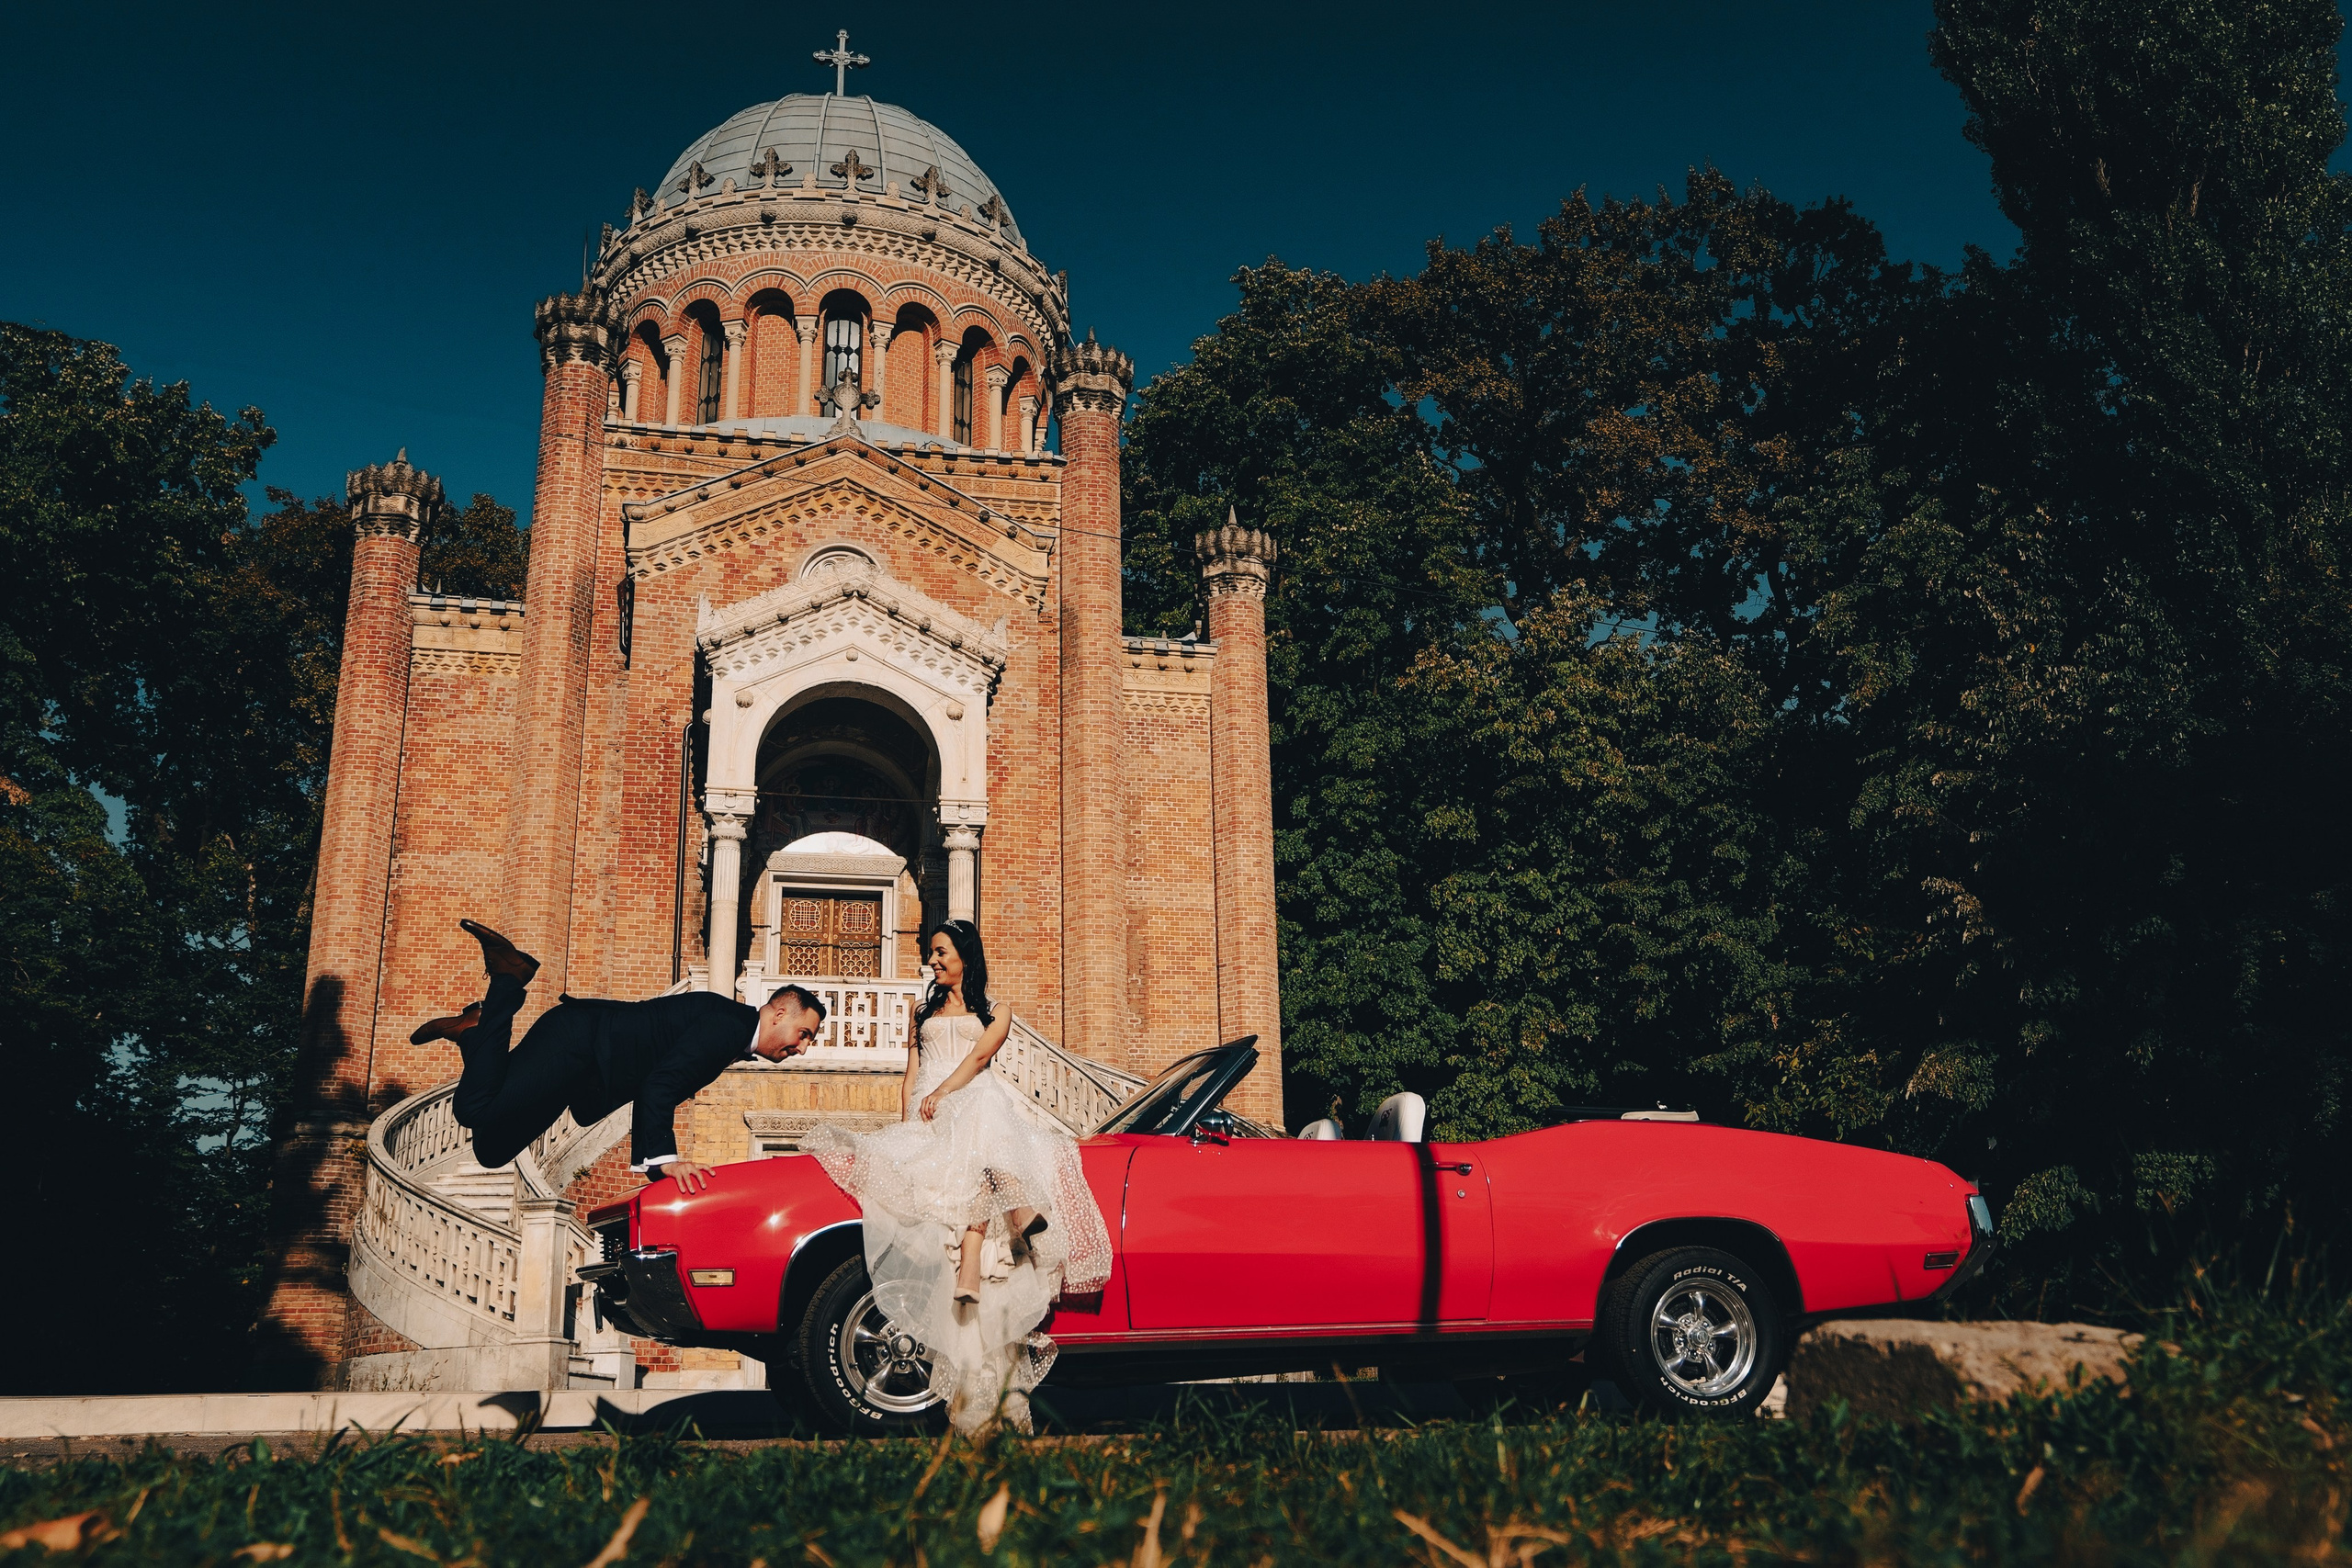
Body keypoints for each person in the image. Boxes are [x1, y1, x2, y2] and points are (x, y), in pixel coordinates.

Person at [805, 920, 1112, 1433]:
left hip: (968, 1099)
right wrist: (908, 1126)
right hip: (930, 1113)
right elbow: (909, 1075)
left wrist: (945, 1093)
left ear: (966, 955)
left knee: (982, 1126)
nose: (932, 961)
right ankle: (1013, 1217)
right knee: (973, 1152)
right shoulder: (918, 1012)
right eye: (931, 954)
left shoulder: (998, 1012)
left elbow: (980, 1057)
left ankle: (980, 1259)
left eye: (941, 952)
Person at [412, 919, 826, 1191]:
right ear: (779, 1012)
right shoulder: (728, 1027)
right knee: (473, 1109)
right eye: (803, 1034)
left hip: (583, 1075)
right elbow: (659, 1085)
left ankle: (473, 1032)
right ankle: (507, 981)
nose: (802, 1048)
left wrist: (653, 1167)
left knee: (492, 1148)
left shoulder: (732, 1033)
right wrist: (665, 1162)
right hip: (578, 1042)